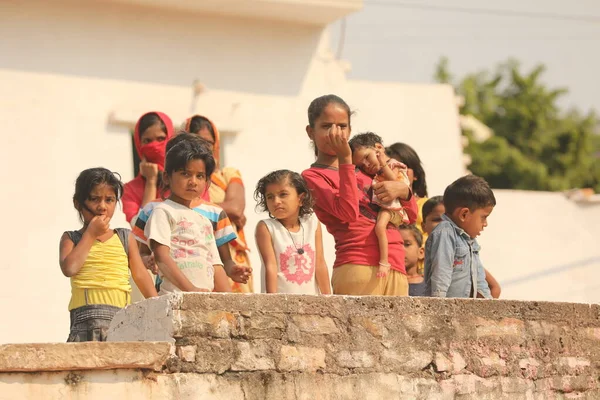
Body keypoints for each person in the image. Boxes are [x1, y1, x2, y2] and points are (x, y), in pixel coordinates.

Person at [302, 94, 417, 296]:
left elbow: (411, 216)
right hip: (357, 264)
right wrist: (345, 159)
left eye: (342, 126)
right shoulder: (313, 176)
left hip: (395, 264)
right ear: (311, 132)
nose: (335, 133)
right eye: (327, 126)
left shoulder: (365, 168)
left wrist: (403, 190)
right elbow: (348, 213)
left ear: (350, 130)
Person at [132, 134, 251, 289]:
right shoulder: (158, 211)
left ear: (207, 180)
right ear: (167, 176)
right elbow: (156, 256)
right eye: (185, 173)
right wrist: (191, 291)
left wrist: (227, 307)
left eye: (199, 175)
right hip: (173, 296)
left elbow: (217, 263)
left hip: (206, 299)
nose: (193, 181)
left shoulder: (207, 218)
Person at [59, 168, 157, 342]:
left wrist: (159, 307)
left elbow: (141, 275)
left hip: (121, 322)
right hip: (84, 327)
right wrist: (90, 234)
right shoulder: (71, 238)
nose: (102, 206)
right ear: (78, 203)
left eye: (109, 200)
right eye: (94, 199)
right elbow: (70, 268)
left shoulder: (125, 238)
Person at [179, 115, 253, 293]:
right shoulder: (180, 180)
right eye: (197, 141)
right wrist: (220, 208)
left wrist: (201, 206)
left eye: (209, 142)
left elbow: (236, 208)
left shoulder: (228, 174)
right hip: (194, 253)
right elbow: (182, 207)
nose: (204, 147)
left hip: (232, 254)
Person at [254, 170, 331, 294]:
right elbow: (271, 266)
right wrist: (271, 302)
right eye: (270, 197)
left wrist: (329, 299)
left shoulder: (312, 223)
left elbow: (320, 263)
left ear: (300, 199)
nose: (276, 201)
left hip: (311, 303)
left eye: (283, 194)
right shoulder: (266, 227)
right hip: (280, 304)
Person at [349, 132, 411, 278]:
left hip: (391, 207)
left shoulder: (392, 164)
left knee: (380, 227)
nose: (366, 165)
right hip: (387, 206)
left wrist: (383, 163)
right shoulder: (377, 172)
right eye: (360, 165)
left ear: (378, 148)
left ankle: (384, 261)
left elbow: (394, 181)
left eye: (366, 157)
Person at [424, 175, 495, 299]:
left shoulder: (470, 241)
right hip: (446, 311)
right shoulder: (445, 233)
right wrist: (438, 309)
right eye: (484, 217)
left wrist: (489, 307)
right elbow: (441, 275)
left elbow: (480, 282)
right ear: (464, 214)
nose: (485, 224)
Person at [122, 112, 174, 223]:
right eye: (147, 141)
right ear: (138, 144)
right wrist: (151, 181)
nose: (154, 146)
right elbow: (140, 226)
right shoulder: (130, 189)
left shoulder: (184, 179)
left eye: (160, 139)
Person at [398, 224, 426, 297]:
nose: (400, 249)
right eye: (396, 245)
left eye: (407, 244)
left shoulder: (429, 285)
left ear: (421, 252)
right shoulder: (387, 283)